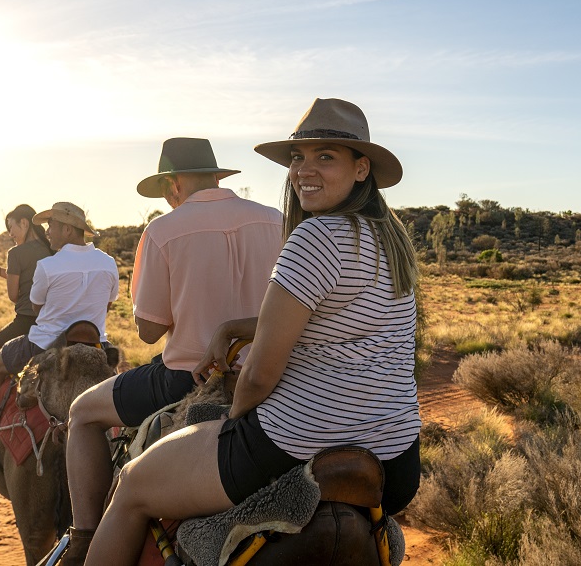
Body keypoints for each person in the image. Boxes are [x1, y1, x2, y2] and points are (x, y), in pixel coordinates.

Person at [81, 98, 422, 566]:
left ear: (362, 169)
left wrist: (232, 422)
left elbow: (259, 376)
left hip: (297, 440)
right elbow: (336, 318)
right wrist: (233, 326)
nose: (305, 169)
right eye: (298, 157)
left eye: (326, 156)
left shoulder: (314, 236)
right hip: (396, 457)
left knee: (135, 486)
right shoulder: (389, 238)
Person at [57, 137, 282, 564]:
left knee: (83, 414)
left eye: (165, 188)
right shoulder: (276, 219)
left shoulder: (162, 230)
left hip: (187, 378)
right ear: (216, 176)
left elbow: (148, 330)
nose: (166, 197)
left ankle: (86, 536)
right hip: (271, 376)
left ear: (174, 184)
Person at [0, 201, 120, 450]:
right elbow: (108, 305)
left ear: (67, 229)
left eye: (51, 225)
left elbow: (36, 308)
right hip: (97, 345)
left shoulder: (48, 266)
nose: (48, 230)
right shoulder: (108, 263)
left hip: (44, 344)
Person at [0, 204, 53, 376]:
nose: (10, 233)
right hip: (50, 322)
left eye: (11, 227)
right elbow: (30, 277)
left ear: (24, 223)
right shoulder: (51, 250)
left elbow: (13, 295)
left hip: (26, 321)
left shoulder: (16, 253)